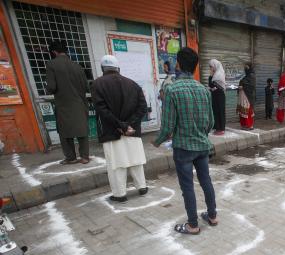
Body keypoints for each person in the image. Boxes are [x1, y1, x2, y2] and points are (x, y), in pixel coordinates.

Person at [153, 47, 217, 235]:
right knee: (206, 181)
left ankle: (192, 225)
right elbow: (211, 122)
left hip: (183, 148)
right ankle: (212, 215)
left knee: (187, 186)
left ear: (178, 65)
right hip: (202, 145)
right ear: (195, 67)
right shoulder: (204, 90)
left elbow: (167, 126)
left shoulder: (172, 89)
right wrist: (201, 135)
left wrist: (157, 141)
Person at [92, 55, 148, 203]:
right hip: (132, 131)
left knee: (116, 164)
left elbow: (101, 110)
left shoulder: (97, 84)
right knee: (136, 160)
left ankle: (120, 194)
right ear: (118, 68)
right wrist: (129, 124)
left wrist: (120, 125)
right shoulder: (133, 84)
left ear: (103, 69)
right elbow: (143, 108)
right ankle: (142, 187)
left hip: (112, 131)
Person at [46, 41, 90, 165]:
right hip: (80, 103)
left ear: (54, 52)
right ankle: (85, 157)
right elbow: (86, 86)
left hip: (63, 104)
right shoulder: (77, 66)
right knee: (82, 131)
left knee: (65, 132)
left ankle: (70, 157)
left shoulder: (51, 64)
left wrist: (47, 87)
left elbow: (51, 87)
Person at [209, 59, 226, 135]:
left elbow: (213, 85)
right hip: (215, 95)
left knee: (220, 111)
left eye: (211, 66)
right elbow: (210, 85)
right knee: (215, 110)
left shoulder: (219, 74)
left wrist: (211, 76)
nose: (210, 68)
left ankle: (221, 128)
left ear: (215, 66)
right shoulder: (214, 75)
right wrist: (211, 76)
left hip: (220, 96)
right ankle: (217, 127)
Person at [237, 63, 256, 130]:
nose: (245, 69)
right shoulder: (246, 76)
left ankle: (249, 125)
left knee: (248, 111)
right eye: (245, 67)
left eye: (247, 67)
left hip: (248, 97)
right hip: (243, 97)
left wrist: (243, 86)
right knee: (243, 111)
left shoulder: (252, 76)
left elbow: (251, 86)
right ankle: (244, 124)